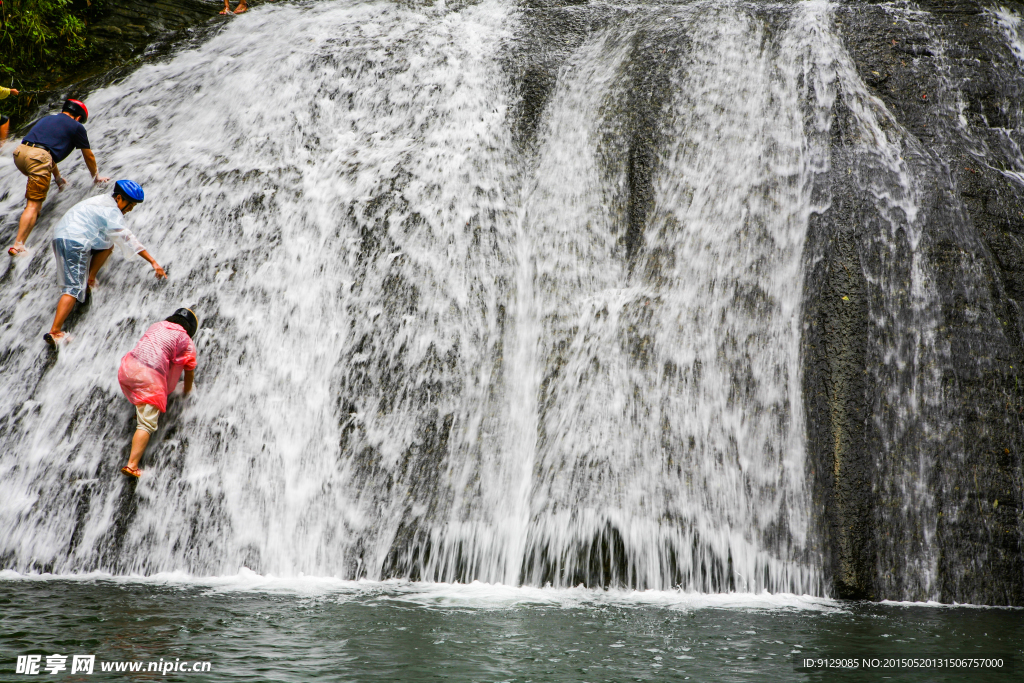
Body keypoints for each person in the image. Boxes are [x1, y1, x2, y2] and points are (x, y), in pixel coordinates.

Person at [44, 180, 166, 346]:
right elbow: (127, 237)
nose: (130, 209)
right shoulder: (111, 210)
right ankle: (56, 331)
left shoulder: (99, 201)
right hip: (76, 240)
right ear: (119, 198)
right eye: (130, 205)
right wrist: (153, 262)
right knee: (72, 289)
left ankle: (90, 278)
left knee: (108, 243)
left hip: (61, 237)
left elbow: (110, 237)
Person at [8, 98, 111, 256]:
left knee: (36, 195)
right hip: (38, 158)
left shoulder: (48, 118)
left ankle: (32, 215)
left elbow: (46, 152)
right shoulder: (76, 127)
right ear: (78, 117)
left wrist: (58, 178)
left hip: (20, 154)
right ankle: (18, 245)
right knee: (33, 205)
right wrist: (96, 177)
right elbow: (88, 155)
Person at [118, 308, 198, 478]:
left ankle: (140, 410)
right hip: (149, 376)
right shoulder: (185, 340)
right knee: (146, 425)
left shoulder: (157, 326)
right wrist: (187, 391)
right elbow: (188, 370)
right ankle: (132, 465)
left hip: (127, 368)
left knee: (145, 392)